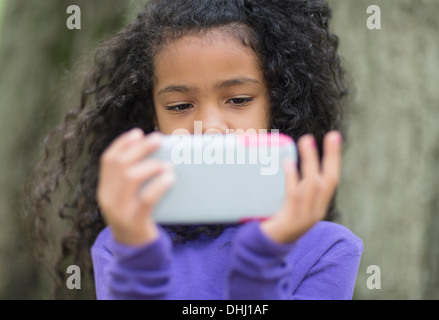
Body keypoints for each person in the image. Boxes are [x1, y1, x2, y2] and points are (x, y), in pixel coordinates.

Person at [25, 0, 363, 300]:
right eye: (180, 105)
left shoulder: (327, 250)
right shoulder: (122, 243)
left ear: (279, 103)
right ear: (153, 121)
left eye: (239, 100)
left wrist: (262, 259)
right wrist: (139, 260)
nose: (210, 126)